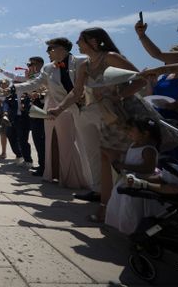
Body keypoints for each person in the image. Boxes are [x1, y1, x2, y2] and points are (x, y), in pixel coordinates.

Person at [48, 27, 149, 222]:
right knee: (103, 157)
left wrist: (118, 95)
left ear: (93, 42)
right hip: (99, 112)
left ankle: (125, 202)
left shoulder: (111, 57)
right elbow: (76, 92)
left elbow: (141, 79)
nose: (77, 44)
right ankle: (107, 201)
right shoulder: (85, 65)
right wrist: (59, 109)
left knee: (119, 157)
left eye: (81, 40)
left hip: (119, 114)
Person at [12, 40, 89, 188]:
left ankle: (76, 178)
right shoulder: (48, 68)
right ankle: (55, 174)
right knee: (53, 141)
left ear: (62, 49)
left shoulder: (81, 61)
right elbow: (35, 84)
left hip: (75, 108)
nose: (48, 52)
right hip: (54, 108)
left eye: (51, 49)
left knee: (72, 143)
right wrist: (15, 88)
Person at [105, 119, 160, 234]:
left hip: (137, 183)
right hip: (127, 181)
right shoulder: (134, 144)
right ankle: (122, 227)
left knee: (132, 209)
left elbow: (148, 168)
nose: (128, 132)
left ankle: (133, 231)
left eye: (132, 129)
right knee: (121, 205)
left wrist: (124, 166)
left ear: (145, 134)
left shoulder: (148, 150)